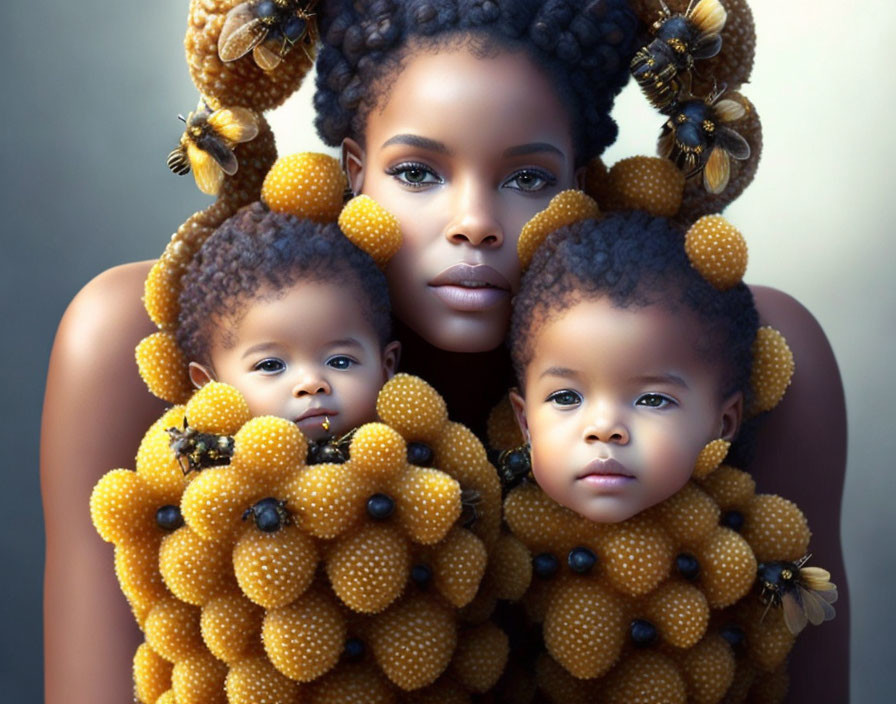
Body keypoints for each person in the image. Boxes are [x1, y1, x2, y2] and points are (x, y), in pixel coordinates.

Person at [41, 1, 848, 701]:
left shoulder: (740, 358)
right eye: (419, 171)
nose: (474, 221)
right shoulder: (141, 341)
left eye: (527, 179)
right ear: (355, 172)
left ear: (582, 176)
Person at [508, 212, 756, 524]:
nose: (604, 428)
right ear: (526, 422)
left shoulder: (731, 556)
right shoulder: (497, 546)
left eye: (653, 400)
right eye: (566, 398)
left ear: (723, 423)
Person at [176, 203, 400, 440]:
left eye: (341, 361)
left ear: (386, 367)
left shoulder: (410, 466)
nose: (311, 383)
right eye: (270, 365)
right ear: (210, 386)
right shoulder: (205, 476)